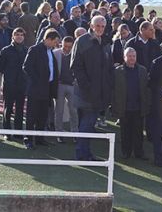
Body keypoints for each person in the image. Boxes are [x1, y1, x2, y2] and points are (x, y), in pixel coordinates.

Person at [71, 16, 113, 160]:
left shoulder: (106, 42)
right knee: (86, 123)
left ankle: (85, 152)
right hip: (86, 93)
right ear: (91, 25)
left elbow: (108, 68)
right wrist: (87, 87)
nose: (100, 28)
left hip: (99, 92)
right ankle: (82, 154)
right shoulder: (82, 41)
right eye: (97, 26)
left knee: (88, 124)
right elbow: (76, 66)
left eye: (102, 26)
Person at [22, 29, 60, 150]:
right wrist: (37, 81)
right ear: (48, 39)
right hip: (36, 89)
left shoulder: (50, 51)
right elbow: (26, 67)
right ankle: (28, 139)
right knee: (32, 115)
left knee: (43, 115)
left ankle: (39, 138)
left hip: (47, 89)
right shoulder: (35, 49)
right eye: (55, 42)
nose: (56, 44)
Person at [113, 47, 148, 159]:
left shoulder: (142, 70)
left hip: (138, 107)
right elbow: (114, 90)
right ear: (124, 57)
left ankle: (139, 152)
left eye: (133, 56)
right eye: (129, 56)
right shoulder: (118, 71)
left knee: (138, 132)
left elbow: (146, 89)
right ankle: (126, 152)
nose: (132, 58)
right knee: (125, 132)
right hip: (124, 107)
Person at [0, 27, 28, 141]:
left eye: (21, 34)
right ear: (13, 36)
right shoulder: (6, 50)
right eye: (17, 34)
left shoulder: (26, 50)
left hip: (22, 84)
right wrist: (9, 75)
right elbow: (0, 67)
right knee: (8, 108)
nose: (19, 36)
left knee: (20, 109)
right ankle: (7, 132)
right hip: (9, 84)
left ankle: (18, 132)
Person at [53, 36, 78, 143]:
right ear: (61, 44)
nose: (67, 49)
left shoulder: (76, 54)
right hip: (59, 85)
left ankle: (75, 133)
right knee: (59, 110)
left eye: (69, 47)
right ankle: (59, 133)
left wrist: (76, 80)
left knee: (73, 110)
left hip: (72, 85)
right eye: (65, 46)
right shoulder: (55, 53)